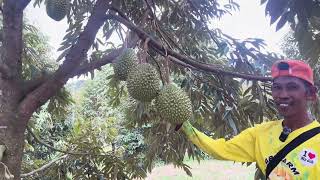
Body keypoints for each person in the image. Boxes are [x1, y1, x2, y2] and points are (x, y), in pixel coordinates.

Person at [177, 60, 320, 179]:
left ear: (311, 94)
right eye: (277, 87)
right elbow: (221, 149)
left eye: (292, 87)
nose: (282, 94)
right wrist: (184, 124)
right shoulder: (262, 133)